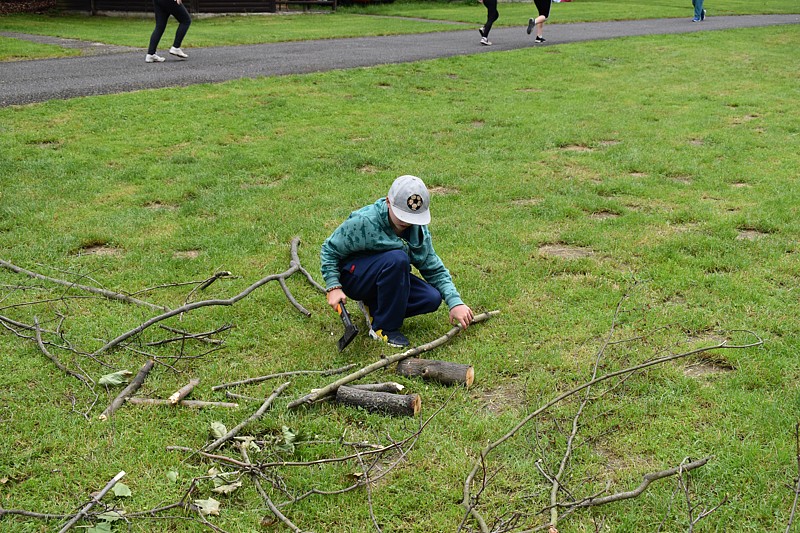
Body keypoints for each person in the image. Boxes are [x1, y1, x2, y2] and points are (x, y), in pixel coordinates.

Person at [321, 175, 474, 348]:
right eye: (402, 216)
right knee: (397, 259)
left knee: (431, 298)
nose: (407, 222)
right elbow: (329, 249)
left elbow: (434, 269)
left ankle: (375, 307)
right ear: (388, 202)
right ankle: (383, 327)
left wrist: (455, 302)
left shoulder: (418, 232)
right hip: (355, 277)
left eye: (413, 218)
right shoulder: (364, 221)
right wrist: (333, 286)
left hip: (387, 274)